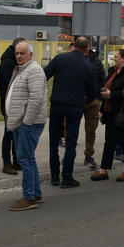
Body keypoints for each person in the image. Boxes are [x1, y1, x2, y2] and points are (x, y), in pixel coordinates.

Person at [43, 36, 95, 188]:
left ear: (72, 45)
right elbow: (92, 92)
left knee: (54, 140)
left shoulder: (60, 59)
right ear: (86, 49)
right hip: (75, 105)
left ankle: (54, 175)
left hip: (58, 103)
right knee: (71, 142)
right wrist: (83, 101)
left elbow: (45, 74)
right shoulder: (88, 66)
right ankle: (67, 177)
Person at [5, 41, 47, 210]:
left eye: (22, 53)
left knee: (25, 160)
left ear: (30, 54)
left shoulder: (34, 71)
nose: (19, 56)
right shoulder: (22, 69)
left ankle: (29, 197)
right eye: (16, 53)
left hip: (29, 124)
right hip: (20, 122)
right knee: (28, 158)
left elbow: (36, 99)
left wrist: (26, 121)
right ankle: (35, 194)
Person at [91, 49, 124, 182]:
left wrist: (111, 94)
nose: (114, 58)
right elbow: (106, 88)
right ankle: (104, 169)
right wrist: (102, 108)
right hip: (111, 112)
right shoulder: (112, 71)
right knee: (109, 142)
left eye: (116, 56)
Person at [0, 37, 24, 175]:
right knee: (9, 133)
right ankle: (6, 162)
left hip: (16, 103)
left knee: (17, 134)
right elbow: (9, 85)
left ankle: (17, 161)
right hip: (9, 104)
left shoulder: (15, 62)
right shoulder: (8, 64)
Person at [82, 47, 106, 168]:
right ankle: (69, 154)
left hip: (93, 101)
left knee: (91, 129)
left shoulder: (96, 62)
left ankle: (89, 154)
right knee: (70, 128)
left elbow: (103, 79)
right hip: (76, 99)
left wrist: (98, 97)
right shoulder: (75, 59)